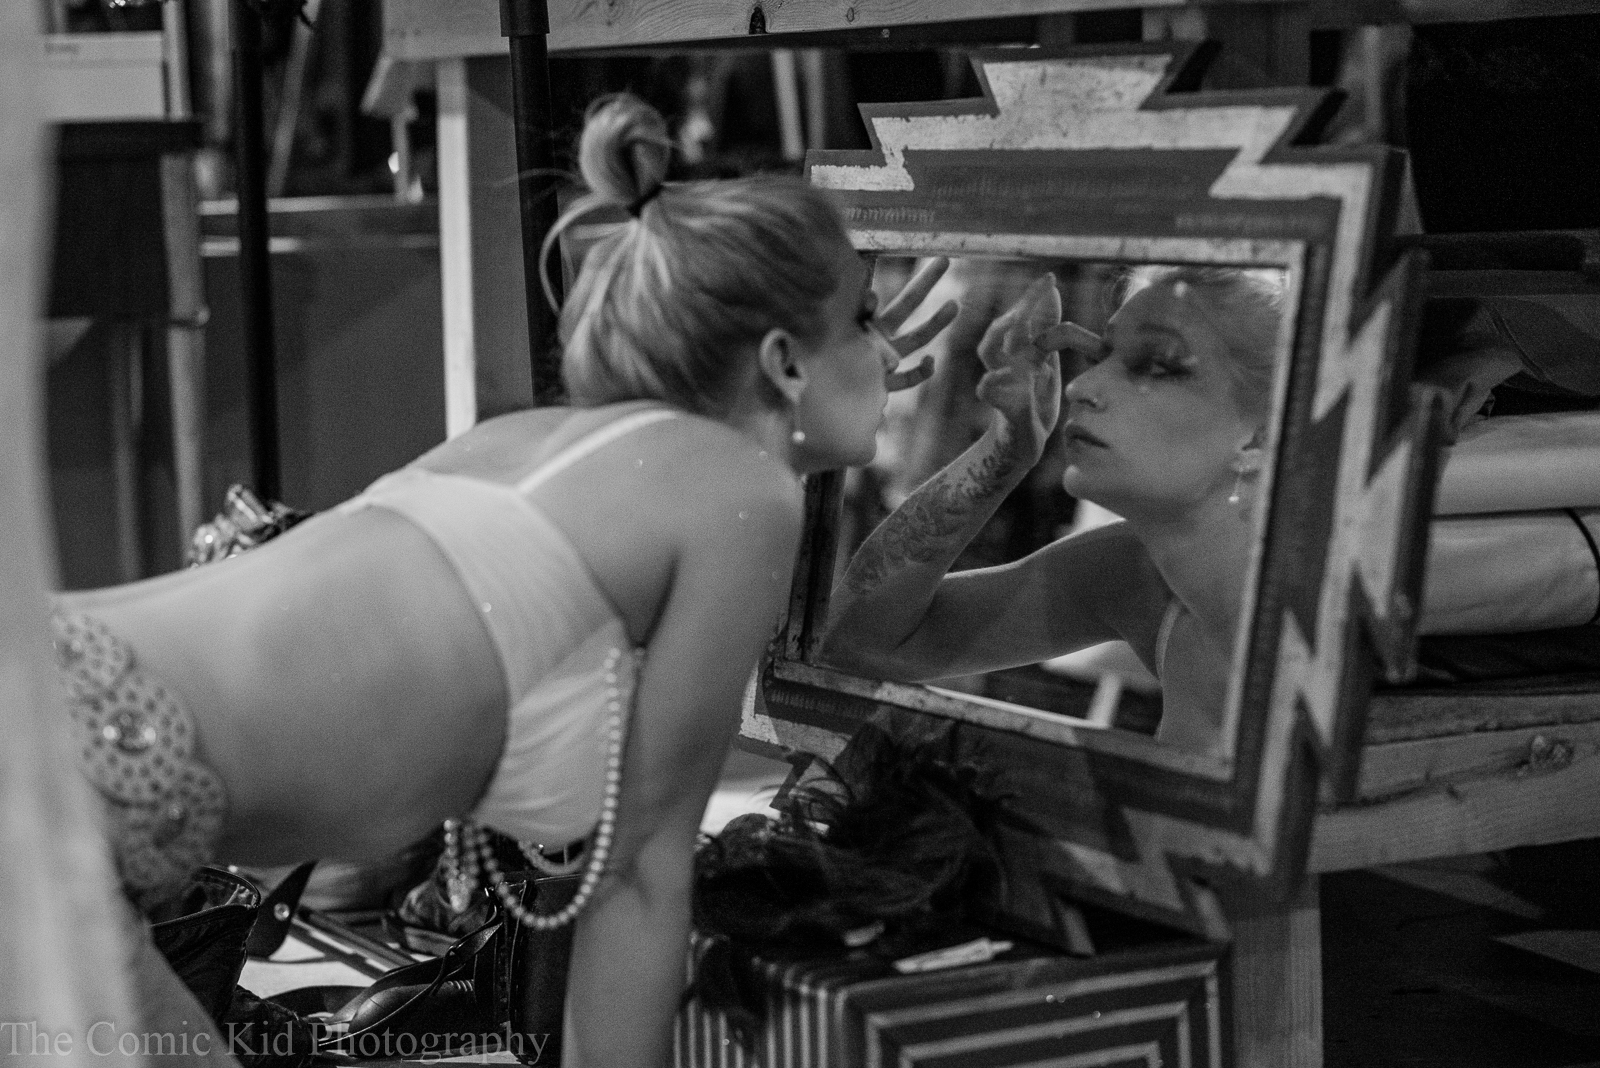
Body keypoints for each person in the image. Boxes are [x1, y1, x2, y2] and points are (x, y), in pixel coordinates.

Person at [51, 94, 954, 1067]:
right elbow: (641, 881)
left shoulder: (546, 455)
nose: (893, 351)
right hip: (66, 799)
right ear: (782, 361)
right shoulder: (738, 494)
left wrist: (831, 392)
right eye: (865, 319)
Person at [822, 264, 1600, 757]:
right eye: (1103, 357)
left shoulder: (1352, 583)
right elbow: (867, 642)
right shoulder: (1137, 573)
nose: (1084, 387)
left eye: (1157, 366)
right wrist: (1004, 450)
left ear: (1262, 431)